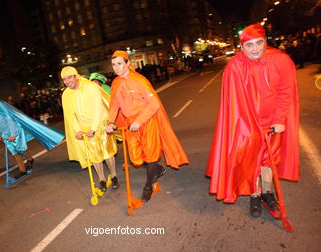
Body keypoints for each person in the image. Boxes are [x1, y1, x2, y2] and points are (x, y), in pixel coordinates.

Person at [206, 23, 299, 217]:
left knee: (268, 160)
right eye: (249, 45)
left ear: (266, 41)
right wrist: (246, 127)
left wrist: (279, 119)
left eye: (259, 43)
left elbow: (285, 92)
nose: (255, 49)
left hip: (273, 122)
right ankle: (254, 194)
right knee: (250, 159)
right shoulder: (234, 67)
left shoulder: (281, 60)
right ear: (241, 47)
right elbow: (233, 103)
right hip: (247, 124)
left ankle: (266, 191)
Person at [105, 50, 189, 202]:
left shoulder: (139, 80)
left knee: (150, 155)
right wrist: (110, 122)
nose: (116, 67)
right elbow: (114, 106)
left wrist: (140, 120)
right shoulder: (115, 83)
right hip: (130, 124)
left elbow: (154, 103)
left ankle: (148, 186)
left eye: (119, 63)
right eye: (113, 64)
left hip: (147, 121)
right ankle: (157, 169)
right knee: (136, 159)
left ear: (127, 63)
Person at [0, 88, 65, 179]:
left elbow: (9, 118)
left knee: (19, 150)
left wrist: (13, 134)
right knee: (14, 152)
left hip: (14, 130)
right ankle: (25, 166)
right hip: (5, 134)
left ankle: (26, 164)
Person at [61, 67, 120, 192]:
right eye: (64, 79)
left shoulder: (90, 86)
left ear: (76, 76)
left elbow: (99, 108)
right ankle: (102, 179)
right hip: (85, 129)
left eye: (69, 77)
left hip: (100, 124)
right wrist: (77, 130)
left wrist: (93, 128)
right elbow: (70, 116)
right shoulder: (66, 95)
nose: (67, 81)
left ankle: (114, 176)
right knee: (94, 157)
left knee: (107, 152)